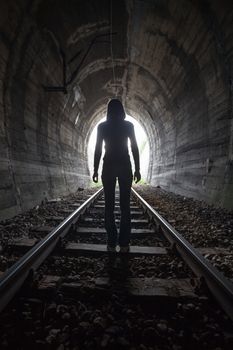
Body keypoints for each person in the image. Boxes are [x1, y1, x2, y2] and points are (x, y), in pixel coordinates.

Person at [92, 99, 141, 253]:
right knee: (125, 206)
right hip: (125, 166)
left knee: (109, 206)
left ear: (108, 111)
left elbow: (98, 149)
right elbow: (134, 147)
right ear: (122, 110)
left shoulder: (102, 127)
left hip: (108, 166)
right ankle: (125, 243)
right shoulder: (128, 125)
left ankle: (112, 242)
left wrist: (95, 169)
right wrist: (137, 169)